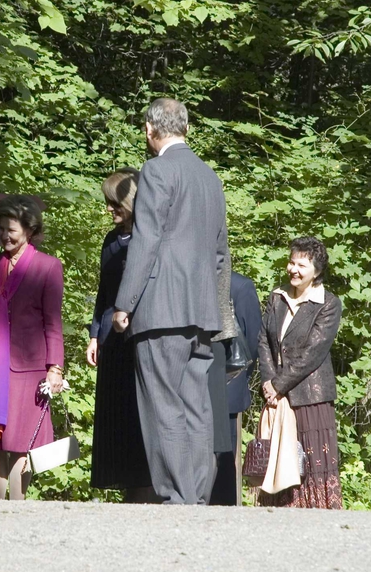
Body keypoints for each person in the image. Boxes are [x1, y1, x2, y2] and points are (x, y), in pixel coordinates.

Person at [111, 98, 230, 505]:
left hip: (160, 309)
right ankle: (196, 496)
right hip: (201, 311)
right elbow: (220, 254)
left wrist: (124, 303)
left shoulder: (156, 170)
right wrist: (213, 308)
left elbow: (146, 242)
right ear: (186, 128)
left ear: (149, 129)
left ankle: (177, 498)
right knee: (196, 406)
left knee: (162, 405)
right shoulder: (210, 177)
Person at [0, 195, 65, 500]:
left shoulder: (49, 267)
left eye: (11, 230)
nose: (4, 236)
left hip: (30, 367)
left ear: (29, 231)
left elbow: (53, 323)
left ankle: (18, 510)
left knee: (22, 443)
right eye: (0, 229)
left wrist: (55, 369)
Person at [255, 237, 344, 508]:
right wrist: (269, 383)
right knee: (278, 459)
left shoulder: (328, 303)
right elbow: (263, 340)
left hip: (310, 397)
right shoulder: (276, 297)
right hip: (277, 396)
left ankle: (317, 514)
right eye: (291, 262)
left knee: (309, 464)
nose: (293, 269)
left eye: (301, 265)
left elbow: (312, 353)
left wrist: (279, 384)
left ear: (316, 271)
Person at [86, 169, 153, 500]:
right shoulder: (111, 241)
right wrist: (94, 334)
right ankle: (123, 484)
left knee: (137, 412)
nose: (109, 210)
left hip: (138, 339)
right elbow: (104, 292)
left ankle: (144, 486)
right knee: (115, 414)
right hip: (111, 340)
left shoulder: (148, 241)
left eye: (115, 204)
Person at [210, 271, 261, 506]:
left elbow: (252, 341)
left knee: (224, 457)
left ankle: (225, 512)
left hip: (228, 383)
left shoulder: (240, 286)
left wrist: (239, 377)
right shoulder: (189, 278)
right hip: (191, 386)